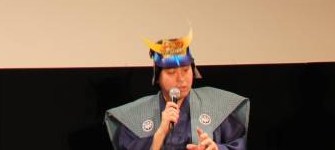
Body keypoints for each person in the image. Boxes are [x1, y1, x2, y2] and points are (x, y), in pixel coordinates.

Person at [105, 29, 249, 150]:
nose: (181, 79)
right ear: (157, 77)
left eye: (186, 70)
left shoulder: (216, 106)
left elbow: (238, 145)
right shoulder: (135, 116)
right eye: (171, 72)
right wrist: (160, 134)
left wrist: (216, 148)